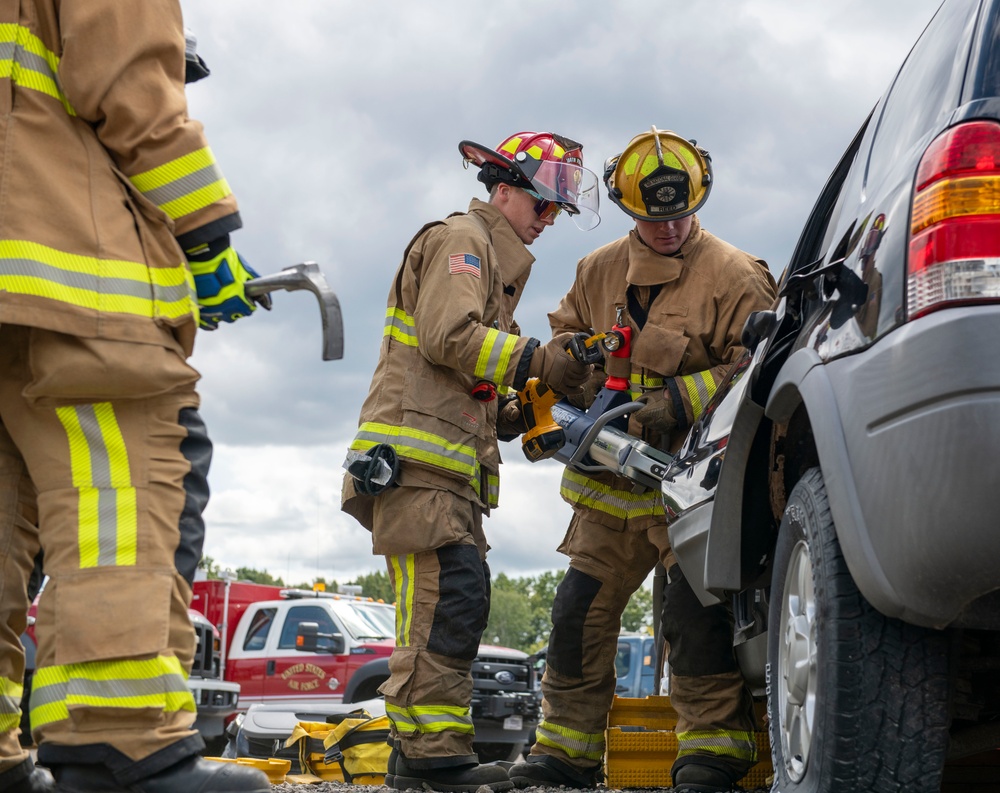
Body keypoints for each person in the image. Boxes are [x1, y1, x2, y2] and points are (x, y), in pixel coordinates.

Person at [0, 5, 271, 792]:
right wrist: (203, 235)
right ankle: (119, 744)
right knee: (120, 488)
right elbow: (125, 79)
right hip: (61, 277)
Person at [507, 127, 778, 793]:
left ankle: (712, 752)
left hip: (693, 485)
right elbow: (566, 341)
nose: (669, 229)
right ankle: (563, 752)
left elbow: (761, 368)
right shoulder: (598, 270)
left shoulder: (737, 276)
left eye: (681, 215)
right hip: (606, 490)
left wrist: (679, 399)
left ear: (698, 199)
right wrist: (560, 388)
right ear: (630, 209)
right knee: (576, 614)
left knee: (692, 618)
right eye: (654, 220)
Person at [341, 131, 600, 792]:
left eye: (555, 214)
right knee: (442, 598)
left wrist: (532, 408)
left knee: (458, 598)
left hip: (449, 471)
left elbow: (477, 385)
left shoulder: (494, 265)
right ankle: (430, 759)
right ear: (505, 189)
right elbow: (448, 336)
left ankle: (424, 755)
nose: (547, 223)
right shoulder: (465, 241)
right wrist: (539, 360)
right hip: (419, 467)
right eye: (541, 207)